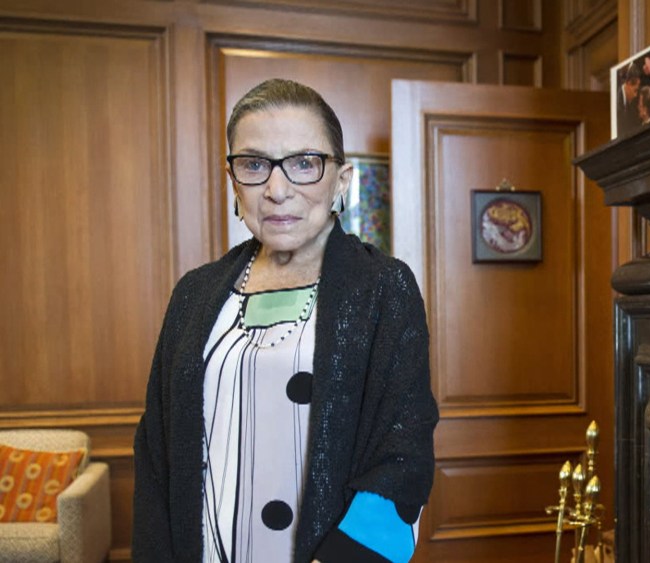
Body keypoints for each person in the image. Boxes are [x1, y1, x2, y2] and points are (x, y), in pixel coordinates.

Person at [132, 78, 439, 563]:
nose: (277, 190)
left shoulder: (384, 288)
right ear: (233, 180)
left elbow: (403, 454)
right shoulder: (194, 293)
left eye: (304, 163)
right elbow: (156, 456)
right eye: (254, 165)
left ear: (341, 180)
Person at [616, 62, 643, 137]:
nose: (635, 95)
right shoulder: (617, 101)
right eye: (635, 90)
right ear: (628, 83)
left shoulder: (632, 105)